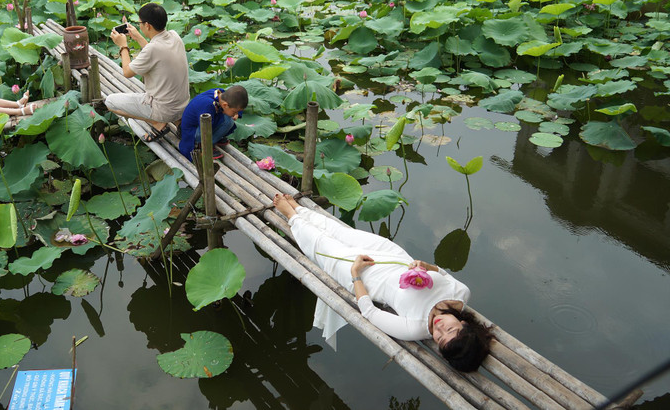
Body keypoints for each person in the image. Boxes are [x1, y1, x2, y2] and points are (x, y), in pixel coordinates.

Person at [272, 194, 492, 372]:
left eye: (440, 339)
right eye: (450, 329)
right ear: (464, 324)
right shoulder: (461, 294)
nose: (439, 329)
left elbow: (370, 313)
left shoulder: (415, 327)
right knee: (340, 233)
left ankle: (291, 214)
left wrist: (355, 274)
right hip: (391, 256)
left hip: (368, 278)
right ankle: (301, 210)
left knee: (323, 246)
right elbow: (443, 274)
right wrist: (426, 266)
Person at [108, 3, 190, 142]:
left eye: (140, 23)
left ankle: (158, 123)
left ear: (147, 25)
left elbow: (127, 72)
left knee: (110, 102)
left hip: (163, 110)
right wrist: (139, 37)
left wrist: (123, 46)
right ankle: (178, 121)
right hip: (183, 106)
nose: (139, 25)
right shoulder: (174, 36)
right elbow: (157, 53)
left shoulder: (152, 49)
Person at [178, 85, 247, 161]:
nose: (235, 114)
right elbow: (207, 127)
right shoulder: (207, 105)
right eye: (234, 111)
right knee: (228, 122)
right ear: (225, 105)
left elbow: (236, 105)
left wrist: (237, 114)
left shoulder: (220, 93)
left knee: (228, 118)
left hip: (202, 125)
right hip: (192, 132)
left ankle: (215, 138)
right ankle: (204, 146)